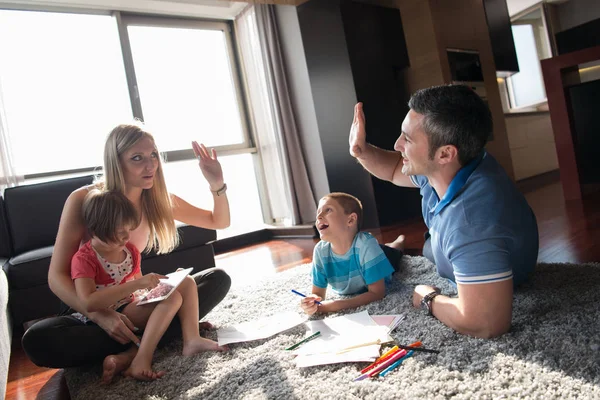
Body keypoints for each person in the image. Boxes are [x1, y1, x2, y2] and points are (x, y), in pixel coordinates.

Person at [22, 122, 232, 383]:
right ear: (116, 162)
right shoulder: (85, 200)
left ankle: (137, 345)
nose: (150, 165)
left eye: (153, 155)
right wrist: (101, 316)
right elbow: (56, 277)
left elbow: (218, 221)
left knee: (217, 279)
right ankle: (164, 333)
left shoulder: (158, 199)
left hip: (134, 301)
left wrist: (217, 183)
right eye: (137, 158)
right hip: (88, 307)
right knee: (38, 339)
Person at [348, 84, 539, 339]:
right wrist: (361, 152)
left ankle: (398, 248)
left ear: (445, 154)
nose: (397, 145)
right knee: (426, 247)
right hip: (449, 243)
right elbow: (395, 170)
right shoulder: (452, 165)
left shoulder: (471, 223)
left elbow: (486, 323)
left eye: (408, 138)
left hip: (480, 259)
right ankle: (398, 247)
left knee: (431, 250)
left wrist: (428, 297)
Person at [72, 189, 226, 381]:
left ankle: (191, 337)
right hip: (114, 314)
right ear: (96, 228)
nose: (126, 237)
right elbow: (89, 302)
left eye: (128, 230)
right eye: (119, 232)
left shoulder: (129, 251)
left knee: (185, 282)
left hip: (132, 304)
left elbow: (139, 283)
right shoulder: (85, 258)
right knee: (174, 299)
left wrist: (159, 286)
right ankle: (141, 359)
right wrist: (138, 285)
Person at [300, 192, 404, 315]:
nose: (319, 216)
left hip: (374, 254)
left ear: (350, 220)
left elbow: (377, 293)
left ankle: (400, 240)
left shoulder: (366, 245)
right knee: (381, 247)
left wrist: (337, 305)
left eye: (328, 210)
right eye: (318, 213)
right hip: (364, 252)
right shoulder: (320, 251)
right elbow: (317, 293)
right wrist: (311, 301)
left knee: (394, 251)